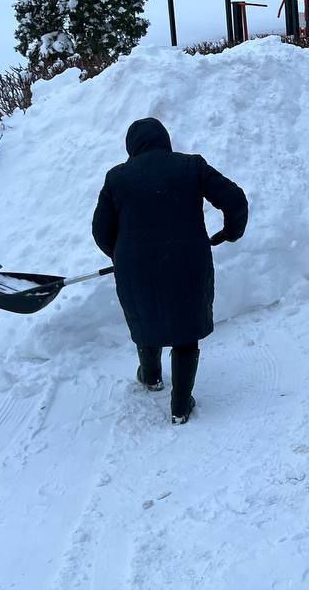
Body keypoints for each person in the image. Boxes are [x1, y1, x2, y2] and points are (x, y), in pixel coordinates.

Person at [91, 118, 248, 425]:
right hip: (187, 259)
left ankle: (150, 377)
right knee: (186, 328)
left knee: (145, 314)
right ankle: (180, 404)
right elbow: (234, 199)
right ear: (165, 140)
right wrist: (230, 232)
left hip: (136, 267)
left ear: (131, 147)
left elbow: (100, 230)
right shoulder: (191, 166)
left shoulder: (117, 178)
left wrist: (121, 255)